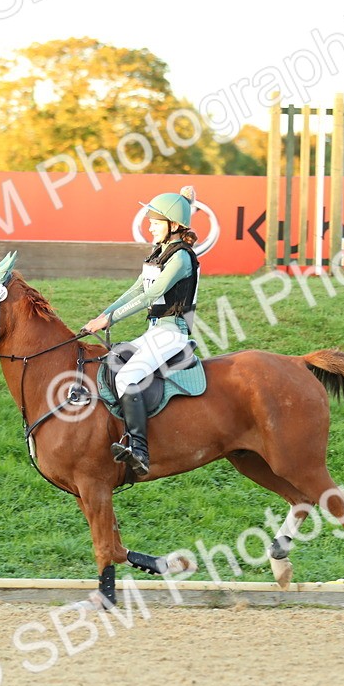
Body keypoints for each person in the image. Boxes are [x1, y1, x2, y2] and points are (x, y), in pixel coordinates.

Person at [83, 186, 201, 477]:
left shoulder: (181, 258)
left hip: (172, 334)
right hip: (153, 332)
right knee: (111, 362)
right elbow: (136, 289)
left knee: (127, 376)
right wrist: (103, 315)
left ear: (174, 226)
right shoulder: (159, 254)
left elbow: (152, 295)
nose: (149, 227)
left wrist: (112, 320)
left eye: (155, 222)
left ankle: (139, 450)